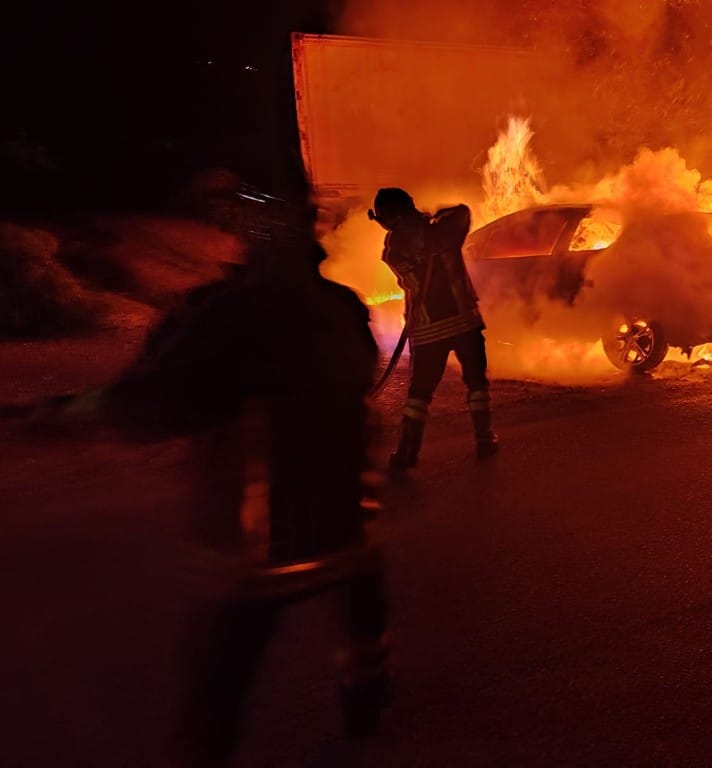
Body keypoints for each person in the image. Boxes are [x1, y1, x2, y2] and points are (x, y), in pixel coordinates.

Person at [56, 181, 392, 764]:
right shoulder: (342, 306)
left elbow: (152, 405)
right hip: (346, 529)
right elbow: (360, 379)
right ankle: (364, 694)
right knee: (361, 616)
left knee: (213, 698)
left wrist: (65, 414)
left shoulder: (226, 313)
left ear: (248, 235)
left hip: (258, 550)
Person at [368, 187, 498, 470]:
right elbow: (462, 212)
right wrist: (430, 218)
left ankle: (407, 452)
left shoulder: (394, 246)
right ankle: (485, 439)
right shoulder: (444, 229)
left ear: (391, 217)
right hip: (465, 321)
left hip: (428, 330)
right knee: (477, 384)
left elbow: (409, 278)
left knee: (419, 394)